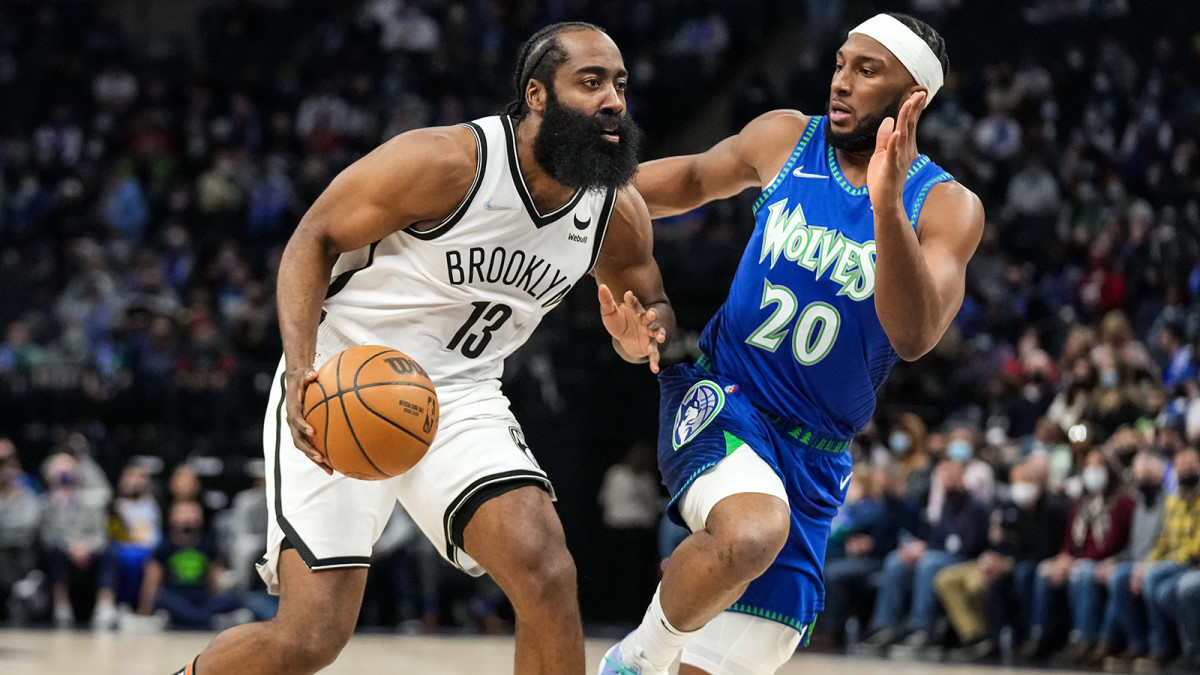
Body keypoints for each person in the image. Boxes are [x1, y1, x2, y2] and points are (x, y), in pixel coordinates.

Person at [182, 22, 673, 675]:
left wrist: (645, 334)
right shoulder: (447, 162)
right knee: (310, 637)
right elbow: (314, 238)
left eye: (619, 83)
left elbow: (652, 301)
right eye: (590, 82)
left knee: (547, 571)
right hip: (345, 375)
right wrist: (301, 367)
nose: (614, 98)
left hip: (461, 393)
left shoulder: (615, 209)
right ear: (536, 94)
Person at [601, 13, 983, 675]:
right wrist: (567, 198)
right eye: (840, 63)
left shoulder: (947, 206)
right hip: (726, 396)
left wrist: (887, 206)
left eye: (867, 71)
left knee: (741, 653)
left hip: (817, 455)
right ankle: (635, 658)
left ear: (912, 99)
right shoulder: (787, 138)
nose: (840, 82)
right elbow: (691, 179)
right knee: (752, 531)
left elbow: (916, 334)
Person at [138, 501, 247, 629]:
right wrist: (145, 610)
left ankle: (188, 620)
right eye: (182, 514)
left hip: (202, 596)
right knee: (160, 597)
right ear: (172, 518)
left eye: (192, 513)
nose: (187, 519)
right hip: (176, 596)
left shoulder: (208, 544)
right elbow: (152, 579)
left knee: (236, 596)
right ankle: (204, 620)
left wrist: (220, 594)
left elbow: (215, 578)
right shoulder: (164, 546)